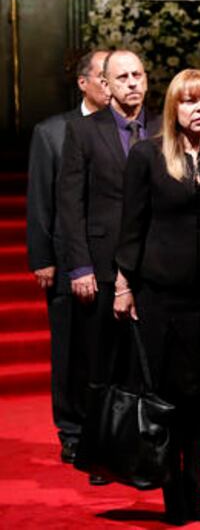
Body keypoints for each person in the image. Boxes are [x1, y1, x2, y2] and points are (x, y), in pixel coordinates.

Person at [114, 69, 200, 524]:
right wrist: (123, 284)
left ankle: (194, 488)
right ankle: (172, 489)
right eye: (191, 102)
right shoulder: (146, 156)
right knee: (166, 396)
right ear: (174, 108)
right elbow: (131, 227)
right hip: (159, 295)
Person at [58, 50, 161, 485]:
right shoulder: (83, 131)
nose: (133, 83)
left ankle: (141, 451)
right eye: (123, 77)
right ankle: (98, 454)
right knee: (101, 365)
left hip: (154, 265)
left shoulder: (161, 128)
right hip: (100, 265)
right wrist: (79, 265)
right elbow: (70, 203)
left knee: (144, 365)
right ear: (105, 84)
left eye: (138, 75)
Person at [26, 49, 109, 464]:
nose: (112, 85)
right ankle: (72, 430)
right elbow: (41, 199)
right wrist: (42, 257)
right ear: (84, 83)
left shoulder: (129, 129)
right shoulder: (52, 131)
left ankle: (108, 428)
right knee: (70, 351)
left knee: (104, 351)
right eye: (104, 77)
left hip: (110, 258)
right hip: (64, 259)